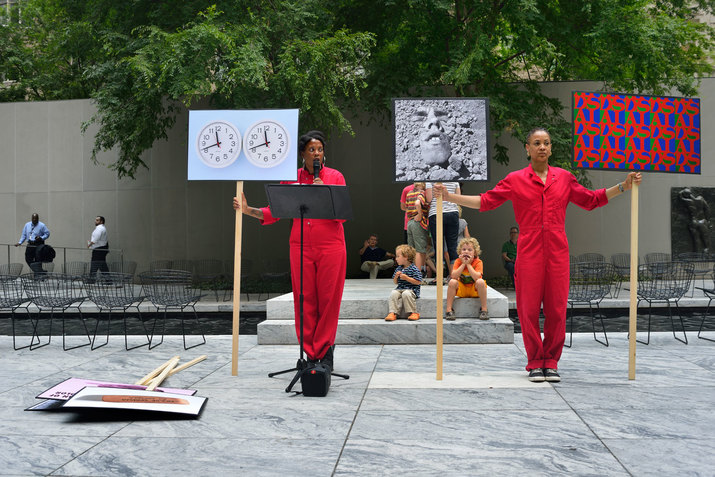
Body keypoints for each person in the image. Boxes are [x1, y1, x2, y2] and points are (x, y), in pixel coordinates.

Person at [434, 128, 642, 383]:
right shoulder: (515, 179)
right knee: (528, 309)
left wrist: (624, 186)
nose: (542, 147)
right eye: (536, 143)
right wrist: (449, 197)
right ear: (527, 148)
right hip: (529, 251)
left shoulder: (564, 178)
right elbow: (486, 201)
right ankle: (535, 362)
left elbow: (591, 200)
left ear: (550, 148)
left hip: (558, 252)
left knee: (556, 310)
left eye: (546, 143)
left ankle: (551, 362)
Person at [233, 130, 345, 371]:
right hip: (301, 246)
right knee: (304, 300)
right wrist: (248, 210)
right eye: (311, 150)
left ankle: (325, 352)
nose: (316, 154)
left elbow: (343, 215)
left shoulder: (335, 176)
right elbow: (276, 212)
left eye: (320, 149)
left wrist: (324, 191)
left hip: (331, 247)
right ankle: (309, 353)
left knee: (328, 300)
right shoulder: (291, 178)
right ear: (302, 153)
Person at [445, 237, 488, 321]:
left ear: (475, 252)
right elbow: (453, 276)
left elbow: (476, 277)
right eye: (464, 249)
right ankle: (449, 310)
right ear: (460, 251)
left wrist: (468, 264)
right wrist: (463, 264)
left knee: (481, 282)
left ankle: (484, 310)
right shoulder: (458, 261)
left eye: (469, 250)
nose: (466, 251)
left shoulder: (478, 262)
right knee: (452, 282)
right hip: (462, 290)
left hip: (474, 290)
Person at [425, 182, 460, 269]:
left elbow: (429, 199)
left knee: (438, 246)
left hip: (436, 213)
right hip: (453, 212)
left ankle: (439, 277)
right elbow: (458, 198)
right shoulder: (455, 180)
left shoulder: (430, 179)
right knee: (453, 246)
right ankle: (454, 276)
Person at [385, 244, 422, 321]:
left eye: (398, 256)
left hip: (411, 289)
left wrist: (407, 278)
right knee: (393, 293)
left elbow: (418, 282)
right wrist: (396, 277)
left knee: (406, 294)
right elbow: (395, 282)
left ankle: (413, 312)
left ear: (406, 257)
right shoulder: (399, 268)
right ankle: (393, 312)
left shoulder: (414, 269)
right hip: (400, 288)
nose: (396, 259)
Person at [405, 182, 429, 274]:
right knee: (420, 249)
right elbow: (418, 203)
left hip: (410, 222)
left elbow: (406, 207)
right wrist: (420, 214)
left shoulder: (409, 193)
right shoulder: (422, 193)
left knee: (411, 250)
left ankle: (410, 273)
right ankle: (418, 274)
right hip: (417, 222)